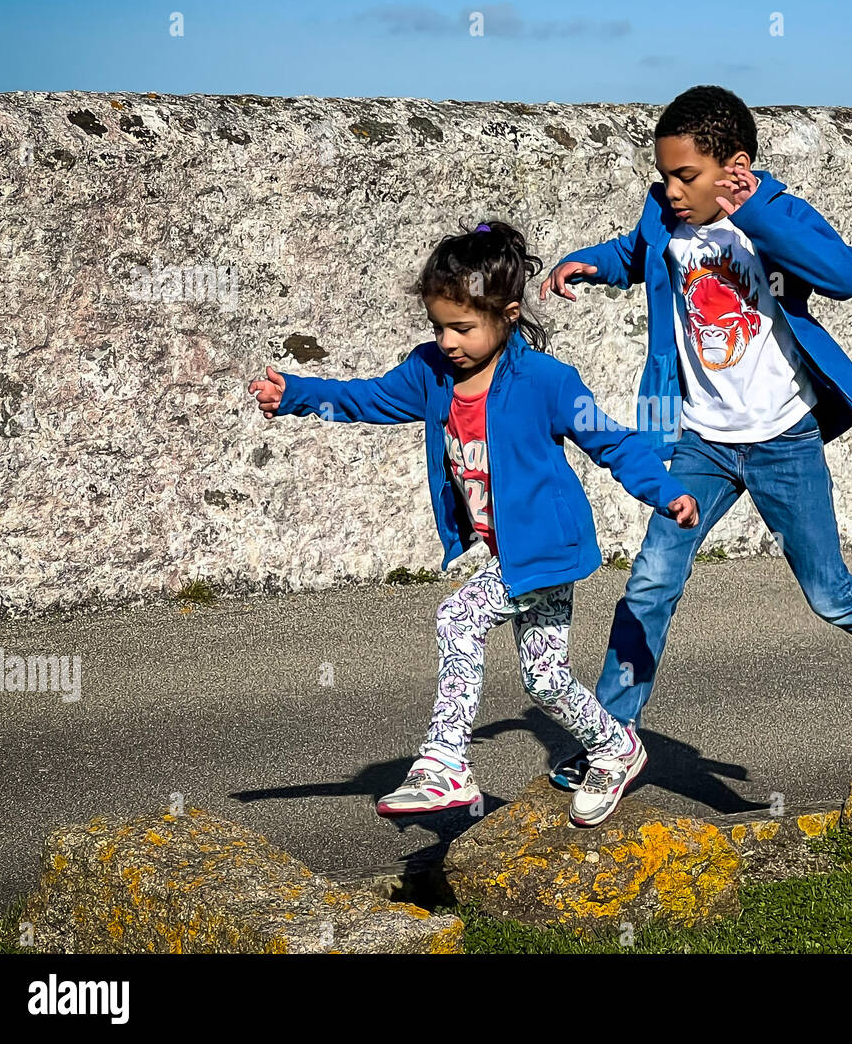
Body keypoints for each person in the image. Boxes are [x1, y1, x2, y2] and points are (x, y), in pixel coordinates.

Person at [538, 84, 852, 788]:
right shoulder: (664, 216)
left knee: (829, 591)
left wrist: (758, 209)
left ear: (734, 167)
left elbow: (846, 274)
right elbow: (634, 253)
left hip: (783, 438)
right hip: (701, 443)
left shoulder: (768, 215)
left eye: (688, 176)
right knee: (651, 580)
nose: (673, 190)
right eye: (666, 176)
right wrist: (586, 262)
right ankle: (612, 738)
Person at [249, 221, 699, 827]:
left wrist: (664, 491)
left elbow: (613, 441)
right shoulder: (431, 373)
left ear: (508, 315)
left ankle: (446, 764)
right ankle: (617, 747)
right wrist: (296, 393)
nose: (449, 340)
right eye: (439, 325)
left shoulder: (546, 382)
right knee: (545, 680)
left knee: (458, 615)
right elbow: (368, 399)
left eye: (463, 327)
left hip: (547, 548)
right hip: (510, 552)